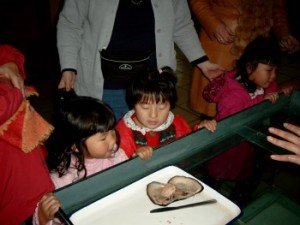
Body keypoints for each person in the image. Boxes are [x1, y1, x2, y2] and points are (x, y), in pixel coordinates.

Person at [56, 0, 224, 120]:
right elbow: (70, 24)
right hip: (105, 84)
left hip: (153, 84)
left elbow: (181, 25)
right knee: (109, 143)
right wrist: (68, 67)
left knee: (149, 141)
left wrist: (203, 62)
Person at [202, 36, 295, 204]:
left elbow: (272, 90)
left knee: (249, 178)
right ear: (250, 67)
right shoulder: (232, 94)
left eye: (276, 70)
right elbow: (235, 121)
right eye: (269, 70)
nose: (273, 76)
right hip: (226, 152)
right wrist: (264, 102)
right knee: (213, 183)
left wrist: (281, 92)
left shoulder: (262, 82)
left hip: (246, 150)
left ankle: (238, 204)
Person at [188, 0, 300, 118]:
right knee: (215, 108)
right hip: (224, 43)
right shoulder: (233, 91)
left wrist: (283, 32)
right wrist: (213, 24)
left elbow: (278, 6)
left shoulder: (266, 77)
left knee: (259, 85)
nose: (274, 76)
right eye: (271, 72)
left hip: (258, 41)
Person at [33, 96, 128, 225]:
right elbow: (52, 217)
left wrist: (136, 162)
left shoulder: (116, 155)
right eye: (103, 138)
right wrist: (43, 218)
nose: (113, 140)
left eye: (112, 131)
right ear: (76, 146)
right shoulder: (62, 180)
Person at [0, 44, 54, 225]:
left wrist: (9, 64)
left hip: (30, 181)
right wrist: (14, 91)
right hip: (9, 201)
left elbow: (9, 51)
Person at [116, 66, 217, 160]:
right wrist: (133, 159)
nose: (153, 115)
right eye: (145, 107)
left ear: (170, 106)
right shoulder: (123, 132)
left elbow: (189, 144)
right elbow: (116, 166)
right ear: (133, 104)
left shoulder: (177, 123)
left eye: (162, 107)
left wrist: (201, 130)